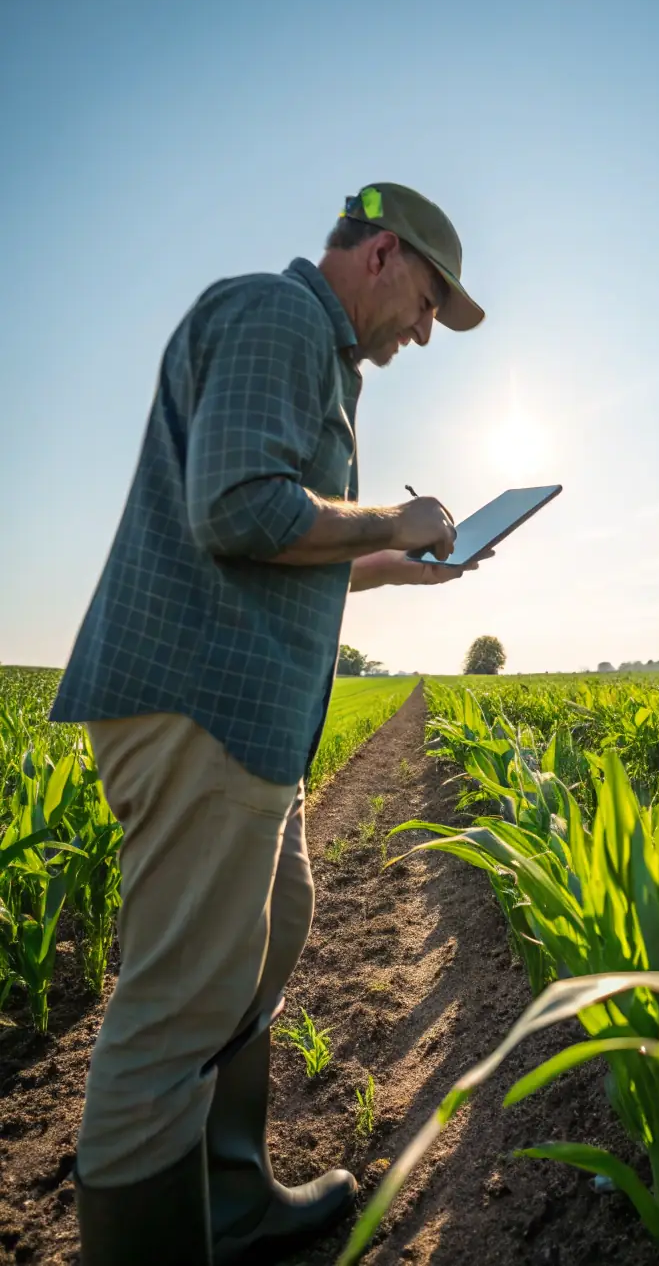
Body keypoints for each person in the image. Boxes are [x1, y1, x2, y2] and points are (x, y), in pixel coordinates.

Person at [50, 183, 486, 1265]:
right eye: (430, 302)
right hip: (200, 705)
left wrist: (401, 564)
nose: (426, 331)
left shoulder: (310, 350)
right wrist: (399, 513)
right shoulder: (278, 316)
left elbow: (285, 542)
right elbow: (239, 507)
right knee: (173, 1009)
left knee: (269, 930)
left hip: (241, 721)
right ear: (384, 253)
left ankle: (232, 1204)